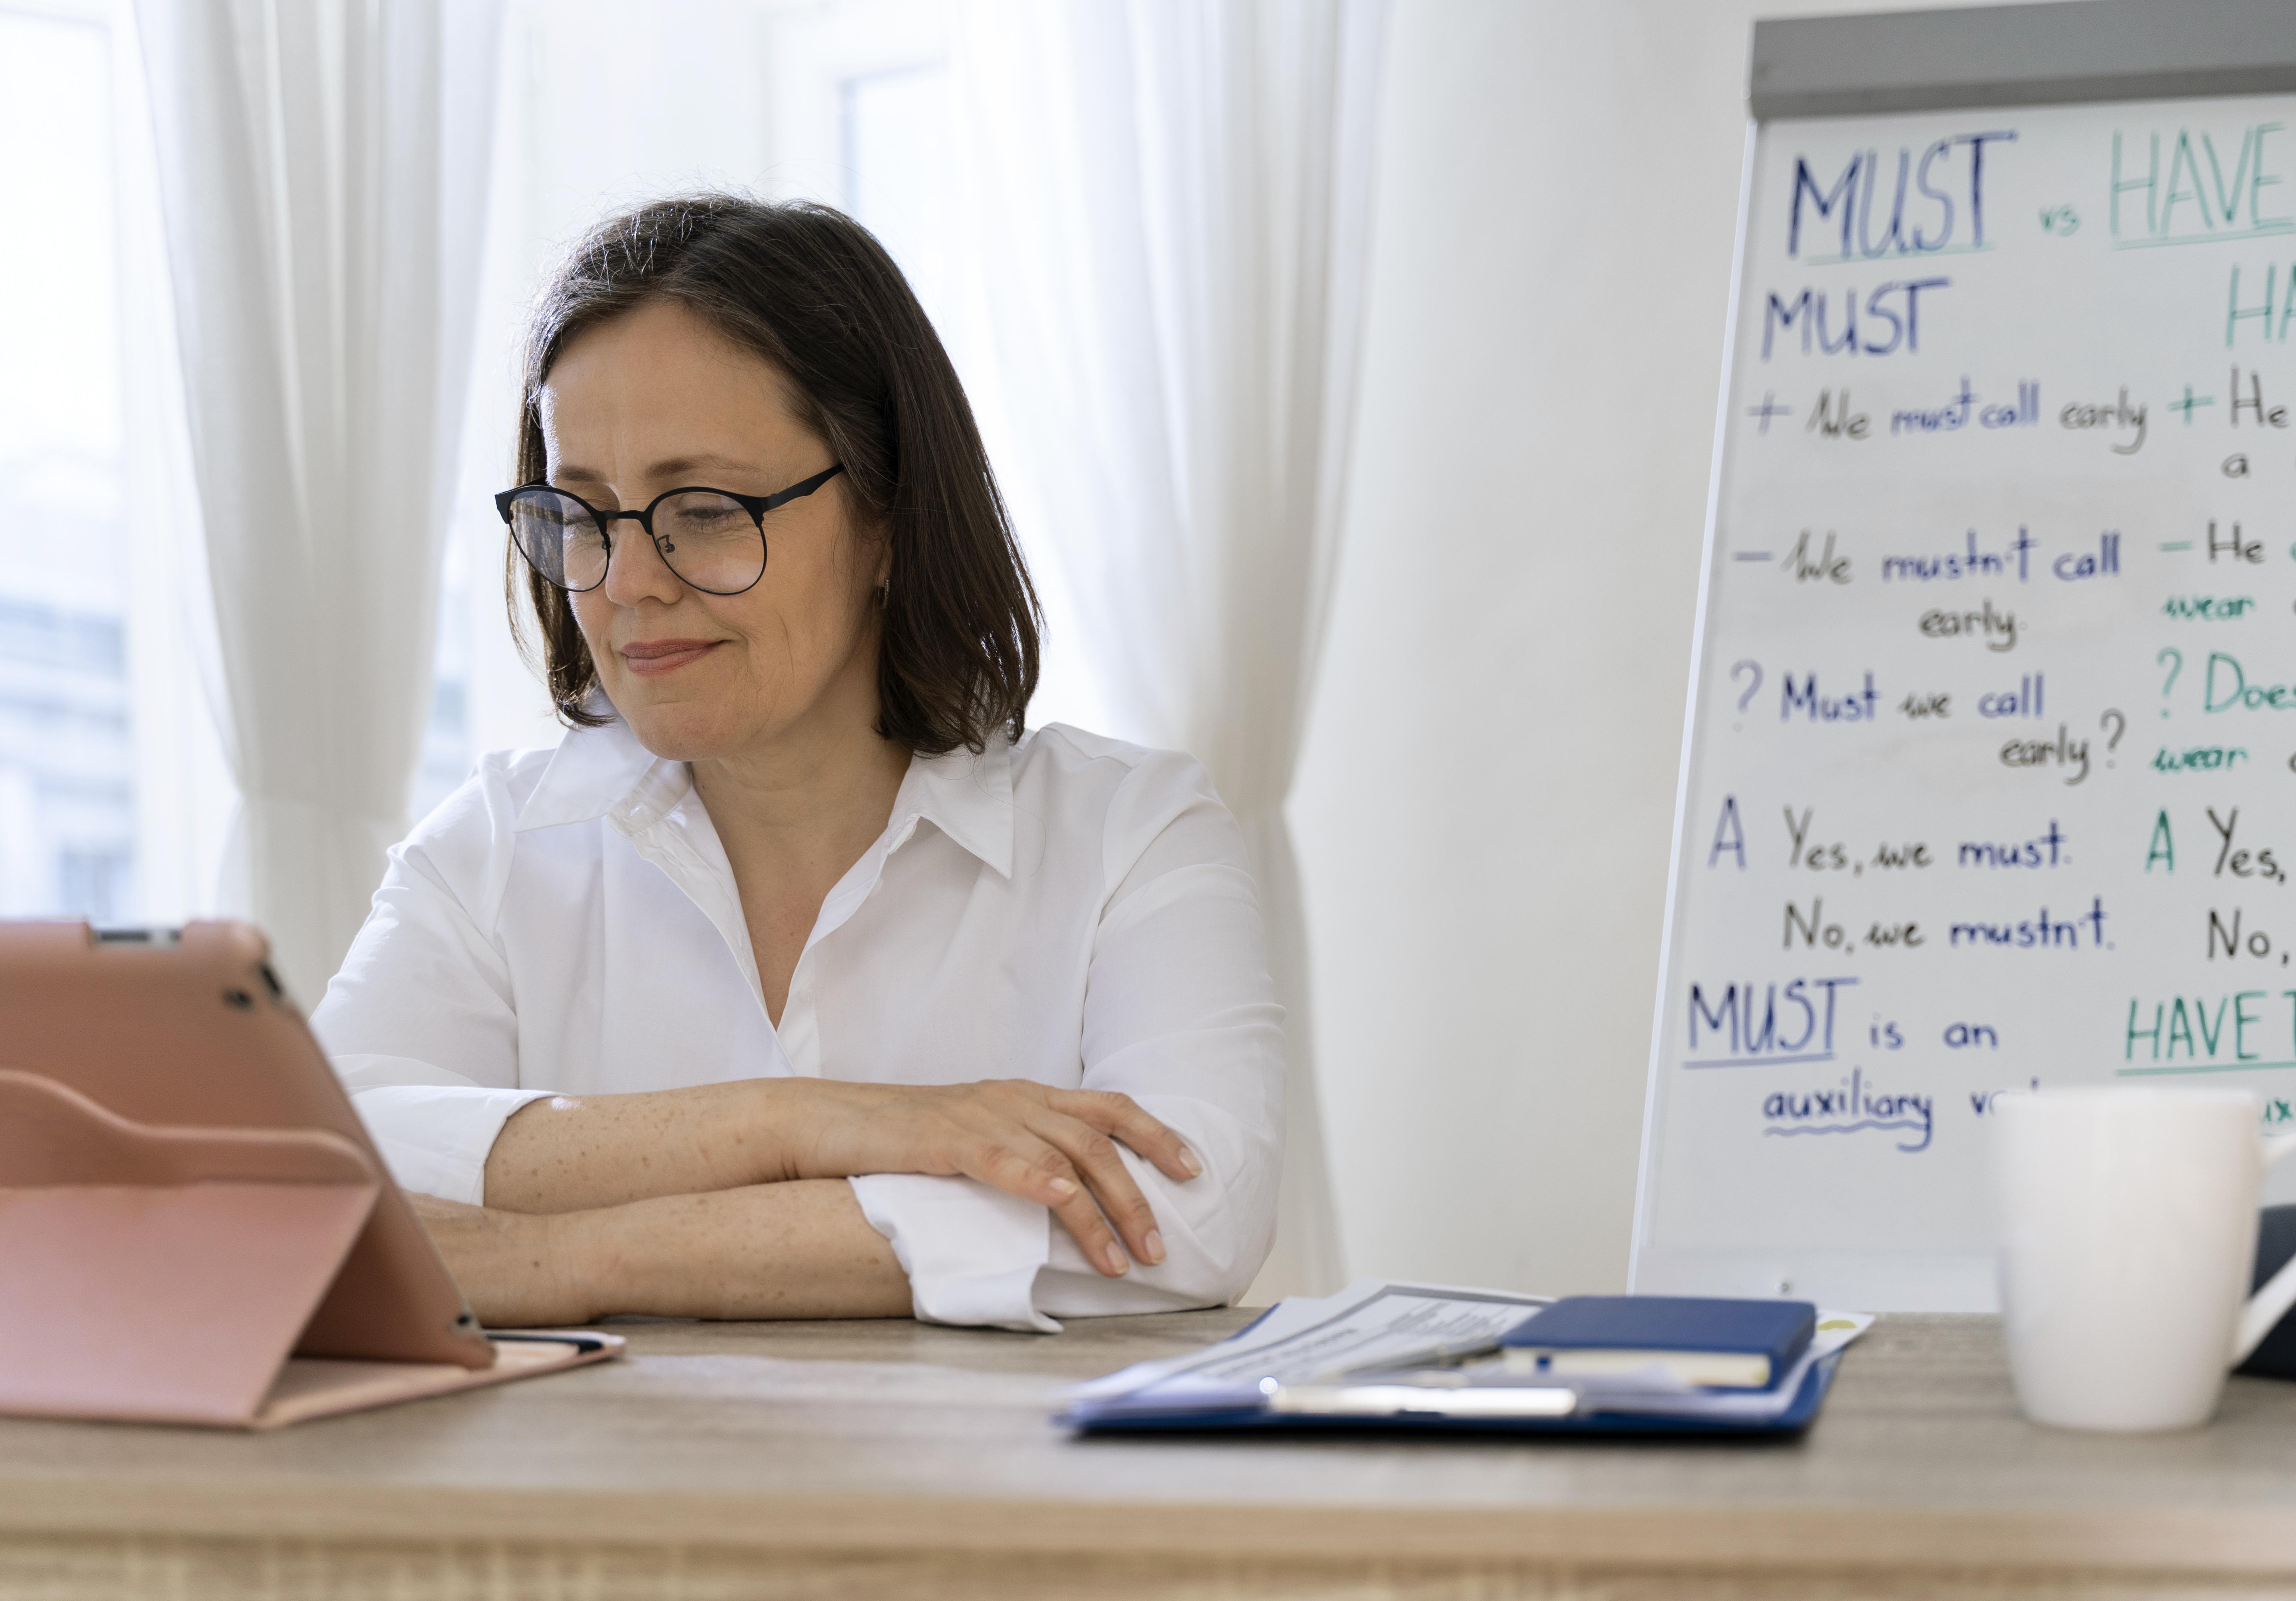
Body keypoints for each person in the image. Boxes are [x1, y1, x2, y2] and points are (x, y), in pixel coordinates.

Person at [311, 195, 1283, 1334]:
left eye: (708, 509)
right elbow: (316, 1165)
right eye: (582, 512)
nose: (627, 583)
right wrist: (802, 1124)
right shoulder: (489, 850)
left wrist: (562, 1260)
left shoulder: (1130, 834)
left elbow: (1189, 1212)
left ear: (888, 516)